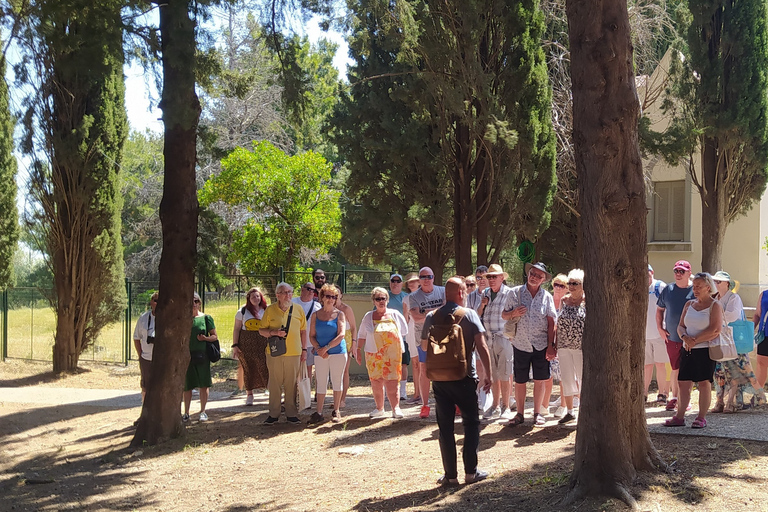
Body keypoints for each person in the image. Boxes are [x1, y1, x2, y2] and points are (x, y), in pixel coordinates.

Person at [421, 277, 492, 486]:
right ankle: (471, 472)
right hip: (464, 377)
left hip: (440, 379)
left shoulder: (431, 316)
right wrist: (488, 374)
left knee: (445, 427)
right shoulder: (469, 314)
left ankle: (450, 476)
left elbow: (424, 347)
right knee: (471, 423)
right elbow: (482, 346)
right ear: (461, 293)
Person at [665, 272, 720, 428]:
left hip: (704, 350)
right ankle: (680, 416)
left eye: (698, 286)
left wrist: (694, 340)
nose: (695, 289)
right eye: (694, 286)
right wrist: (685, 338)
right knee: (683, 383)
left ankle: (701, 417)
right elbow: (681, 326)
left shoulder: (715, 305)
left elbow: (715, 330)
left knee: (704, 383)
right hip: (687, 349)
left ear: (708, 287)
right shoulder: (689, 305)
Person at [505, 262, 557, 427]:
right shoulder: (515, 293)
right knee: (520, 380)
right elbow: (504, 315)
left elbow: (551, 322)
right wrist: (513, 313)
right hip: (520, 343)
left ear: (543, 280)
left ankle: (537, 413)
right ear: (528, 274)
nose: (534, 277)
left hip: (541, 344)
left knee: (540, 379)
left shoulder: (547, 297)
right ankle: (519, 414)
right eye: (532, 274)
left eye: (539, 276)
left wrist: (551, 345)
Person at [711, 271, 766, 412]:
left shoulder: (733, 298)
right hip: (718, 340)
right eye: (715, 281)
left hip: (733, 341)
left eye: (719, 281)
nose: (716, 284)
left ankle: (732, 402)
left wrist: (715, 317)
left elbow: (733, 316)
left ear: (727, 284)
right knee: (719, 373)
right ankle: (719, 402)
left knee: (736, 371)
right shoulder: (714, 298)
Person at [259, 282, 308, 425]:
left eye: (290, 292)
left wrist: (304, 350)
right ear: (277, 295)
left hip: (294, 353)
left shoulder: (298, 309)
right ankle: (273, 414)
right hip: (274, 353)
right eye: (284, 292)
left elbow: (303, 331)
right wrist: (274, 333)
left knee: (291, 383)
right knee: (274, 383)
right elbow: (261, 330)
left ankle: (291, 413)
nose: (288, 295)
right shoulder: (270, 310)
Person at [355, 287, 409, 418]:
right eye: (378, 299)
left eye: (383, 298)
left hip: (392, 355)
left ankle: (396, 409)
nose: (381, 301)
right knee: (376, 382)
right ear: (373, 301)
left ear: (387, 300)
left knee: (392, 381)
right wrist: (357, 350)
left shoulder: (395, 314)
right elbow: (361, 335)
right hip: (374, 355)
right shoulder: (368, 316)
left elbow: (404, 331)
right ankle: (379, 408)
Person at [478, 264, 516, 420]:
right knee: (492, 374)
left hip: (504, 337)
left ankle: (506, 406)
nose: (491, 279)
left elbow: (514, 315)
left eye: (494, 276)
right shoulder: (485, 293)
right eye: (489, 277)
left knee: (505, 373)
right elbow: (477, 314)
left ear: (502, 278)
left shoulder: (509, 293)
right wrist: (482, 304)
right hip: (488, 338)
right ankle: (494, 405)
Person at [408, 267, 446, 418]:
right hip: (423, 337)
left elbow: (447, 312)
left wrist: (426, 312)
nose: (426, 279)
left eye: (428, 276)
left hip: (443, 337)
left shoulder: (442, 291)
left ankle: (450, 403)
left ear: (433, 277)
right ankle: (425, 405)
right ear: (419, 279)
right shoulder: (413, 296)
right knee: (424, 370)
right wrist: (437, 310)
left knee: (444, 369)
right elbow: (416, 317)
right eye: (423, 277)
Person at [656, 260, 694, 413]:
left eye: (682, 271)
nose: (678, 274)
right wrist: (660, 328)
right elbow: (659, 310)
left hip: (690, 338)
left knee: (687, 370)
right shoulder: (668, 290)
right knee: (675, 368)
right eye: (676, 271)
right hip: (671, 337)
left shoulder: (694, 290)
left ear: (689, 273)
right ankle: (675, 397)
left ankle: (686, 399)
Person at [307, 284, 348, 424]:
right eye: (328, 296)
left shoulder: (340, 314)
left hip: (337, 352)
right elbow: (311, 335)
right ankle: (318, 412)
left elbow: (341, 334)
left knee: (337, 381)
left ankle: (336, 410)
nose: (331, 299)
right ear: (322, 297)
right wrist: (319, 348)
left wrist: (326, 348)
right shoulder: (315, 315)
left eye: (334, 297)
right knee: (321, 381)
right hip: (320, 353)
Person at [554, 269, 585, 424]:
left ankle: (584, 412)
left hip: (580, 347)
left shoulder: (587, 301)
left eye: (575, 283)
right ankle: (570, 411)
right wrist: (554, 343)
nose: (571, 286)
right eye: (569, 283)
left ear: (582, 285)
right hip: (564, 345)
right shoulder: (564, 300)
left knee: (582, 378)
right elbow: (558, 323)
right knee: (566, 378)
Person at [183, 292, 218, 423]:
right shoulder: (184, 319)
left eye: (196, 301)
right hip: (187, 356)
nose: (194, 304)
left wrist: (205, 338)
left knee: (204, 384)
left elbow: (215, 336)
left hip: (202, 355)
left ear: (200, 303)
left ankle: (203, 411)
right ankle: (186, 412)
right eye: (191, 301)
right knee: (187, 385)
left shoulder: (206, 318)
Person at [232, 287, 269, 406]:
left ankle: (269, 390)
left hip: (263, 342)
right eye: (253, 296)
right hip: (246, 343)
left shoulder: (266, 310)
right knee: (248, 368)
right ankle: (249, 395)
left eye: (257, 296)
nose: (255, 298)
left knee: (265, 366)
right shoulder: (242, 311)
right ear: (249, 298)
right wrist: (235, 345)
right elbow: (237, 329)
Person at [645, 265, 670, 405]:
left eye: (647, 272)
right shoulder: (637, 287)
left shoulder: (660, 287)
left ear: (652, 272)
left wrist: (664, 328)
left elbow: (667, 308)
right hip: (644, 334)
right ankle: (643, 394)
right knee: (646, 365)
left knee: (660, 364)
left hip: (659, 333)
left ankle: (662, 394)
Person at [293, 282, 321, 402]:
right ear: (302, 289)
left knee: (309, 369)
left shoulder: (317, 306)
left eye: (313, 290)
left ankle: (309, 395)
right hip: (294, 343)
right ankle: (294, 395)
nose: (311, 292)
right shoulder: (293, 302)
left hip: (310, 343)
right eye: (308, 289)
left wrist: (317, 343)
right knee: (294, 371)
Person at [546, 274, 569, 417]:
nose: (558, 288)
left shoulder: (568, 302)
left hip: (562, 343)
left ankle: (564, 406)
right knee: (546, 375)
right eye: (556, 284)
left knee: (563, 376)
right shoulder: (547, 299)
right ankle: (544, 405)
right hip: (547, 342)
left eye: (562, 286)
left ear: (567, 289)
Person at [332, 284, 357, 408]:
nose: (335, 296)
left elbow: (353, 327)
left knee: (344, 371)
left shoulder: (346, 309)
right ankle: (335, 399)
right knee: (334, 372)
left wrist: (354, 343)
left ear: (341, 295)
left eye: (337, 294)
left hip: (346, 340)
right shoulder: (326, 308)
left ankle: (342, 399)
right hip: (331, 338)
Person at [387, 274, 410, 401]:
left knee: (403, 364)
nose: (395, 283)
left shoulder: (406, 298)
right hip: (387, 337)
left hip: (403, 336)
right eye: (393, 281)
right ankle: (389, 391)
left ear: (402, 283)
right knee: (388, 364)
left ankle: (402, 391)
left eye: (398, 281)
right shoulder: (384, 297)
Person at [403, 272, 423, 405]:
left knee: (423, 363)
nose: (412, 283)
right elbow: (406, 318)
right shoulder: (406, 299)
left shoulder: (425, 296)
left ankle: (423, 393)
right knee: (415, 363)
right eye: (410, 282)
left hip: (424, 328)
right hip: (411, 330)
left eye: (414, 281)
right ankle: (417, 393)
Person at [133, 292, 157, 403]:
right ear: (151, 302)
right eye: (155, 300)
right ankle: (145, 409)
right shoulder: (143, 318)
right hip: (146, 358)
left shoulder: (168, 319)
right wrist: (141, 355)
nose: (158, 303)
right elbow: (136, 338)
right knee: (145, 385)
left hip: (162, 359)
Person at [754, 286, 768, 389]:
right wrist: (750, 331)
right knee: (761, 364)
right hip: (764, 335)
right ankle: (758, 396)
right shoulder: (764, 294)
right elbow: (757, 314)